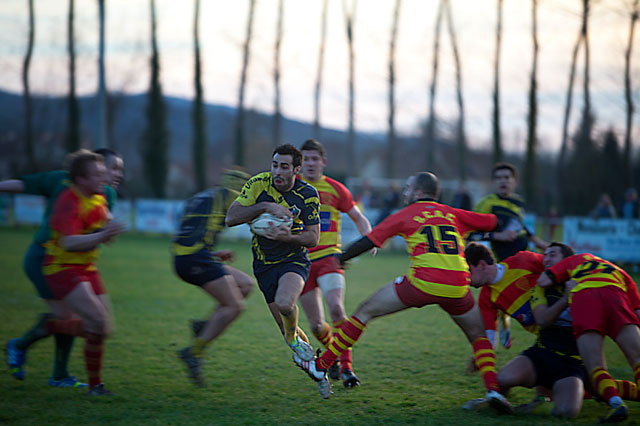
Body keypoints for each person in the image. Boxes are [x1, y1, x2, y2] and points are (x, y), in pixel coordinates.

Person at [292, 172, 513, 413]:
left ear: (418, 192)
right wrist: (500, 222)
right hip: (459, 284)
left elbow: (370, 240)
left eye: (408, 189)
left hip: (423, 282)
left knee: (365, 311)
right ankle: (493, 389)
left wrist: (341, 257)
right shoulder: (453, 213)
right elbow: (494, 221)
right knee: (477, 335)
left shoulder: (406, 214)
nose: (405, 193)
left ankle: (321, 365)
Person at [2, 148, 124, 387]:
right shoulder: (61, 182)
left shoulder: (105, 194)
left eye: (119, 170)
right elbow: (21, 184)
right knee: (70, 318)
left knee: (96, 325)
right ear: (87, 174)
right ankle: (46, 364)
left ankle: (57, 372)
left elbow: (99, 228)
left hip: (80, 262)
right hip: (45, 257)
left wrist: (107, 233)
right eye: (112, 168)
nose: (117, 174)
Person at [225, 144, 325, 390]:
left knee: (285, 304)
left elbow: (313, 238)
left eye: (284, 167)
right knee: (285, 327)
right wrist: (264, 207)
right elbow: (230, 218)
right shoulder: (259, 184)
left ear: (296, 170)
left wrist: (287, 238)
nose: (277, 171)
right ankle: (318, 369)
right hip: (263, 265)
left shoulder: (308, 194)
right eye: (275, 165)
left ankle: (298, 346)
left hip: (294, 260)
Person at [41, 150, 125, 395]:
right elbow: (67, 242)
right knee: (96, 322)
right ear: (81, 180)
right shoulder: (69, 200)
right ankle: (95, 386)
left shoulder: (98, 198)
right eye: (97, 175)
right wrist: (103, 235)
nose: (104, 178)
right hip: (61, 268)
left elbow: (105, 223)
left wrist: (110, 228)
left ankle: (51, 326)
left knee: (104, 329)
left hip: (87, 268)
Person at [298, 139, 374, 388]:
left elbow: (359, 218)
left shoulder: (336, 189)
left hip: (330, 258)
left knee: (337, 309)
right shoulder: (291, 189)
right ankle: (333, 356)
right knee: (317, 326)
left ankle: (347, 367)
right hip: (301, 263)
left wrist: (370, 238)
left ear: (323, 162)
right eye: (305, 159)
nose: (310, 163)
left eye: (314, 159)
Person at [172, 169, 255, 386]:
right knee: (235, 307)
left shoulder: (204, 196)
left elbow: (189, 232)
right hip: (194, 259)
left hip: (191, 257)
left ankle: (205, 325)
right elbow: (253, 215)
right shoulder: (230, 195)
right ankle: (194, 352)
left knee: (245, 284)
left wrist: (213, 255)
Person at [538, 252, 640, 422]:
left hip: (585, 298)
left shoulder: (573, 260)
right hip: (615, 295)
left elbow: (543, 281)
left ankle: (616, 403)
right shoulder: (619, 270)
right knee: (637, 359)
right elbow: (637, 312)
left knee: (596, 365)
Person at [470, 162, 548, 349]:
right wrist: (498, 235)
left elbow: (520, 224)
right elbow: (472, 233)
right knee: (502, 296)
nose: (503, 181)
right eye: (498, 178)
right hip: (505, 261)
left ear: (514, 181)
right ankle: (500, 330)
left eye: (507, 177)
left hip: (526, 257)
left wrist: (536, 240)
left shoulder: (518, 202)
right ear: (494, 182)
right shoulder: (486, 204)